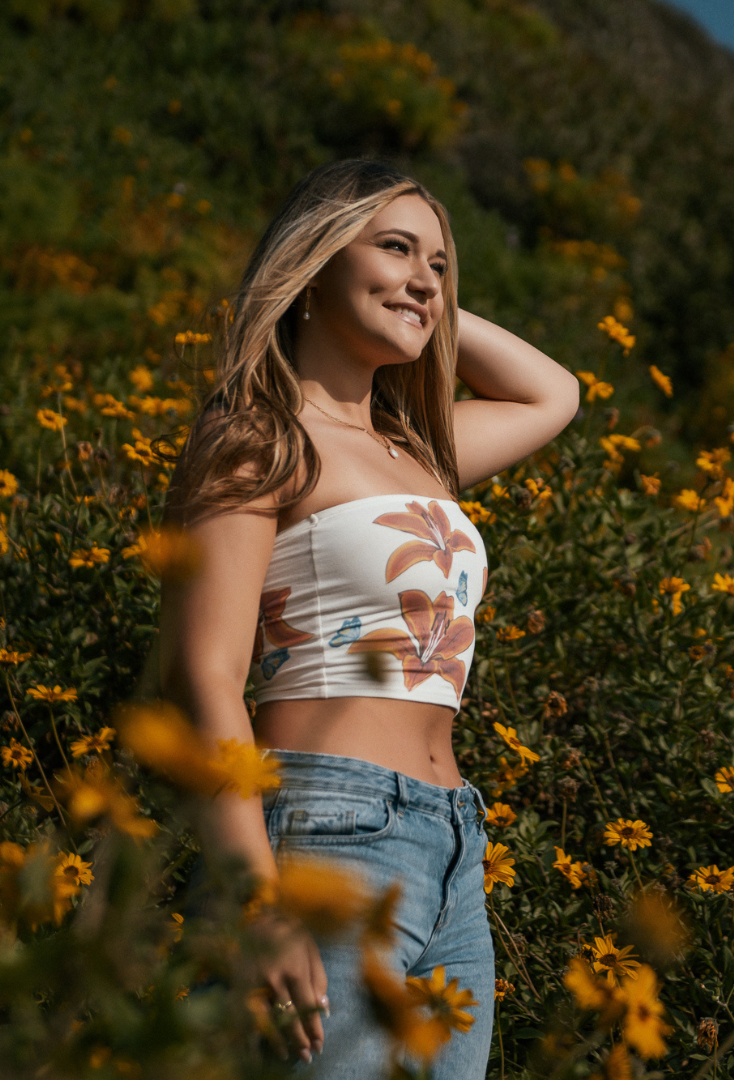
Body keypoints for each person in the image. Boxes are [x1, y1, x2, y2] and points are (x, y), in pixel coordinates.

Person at [159, 159, 580, 1078]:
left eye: (440, 262)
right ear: (314, 264)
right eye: (394, 247)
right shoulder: (259, 435)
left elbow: (555, 394)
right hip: (324, 829)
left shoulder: (417, 450)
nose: (426, 276)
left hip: (453, 849)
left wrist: (417, 304)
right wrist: (257, 903)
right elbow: (208, 678)